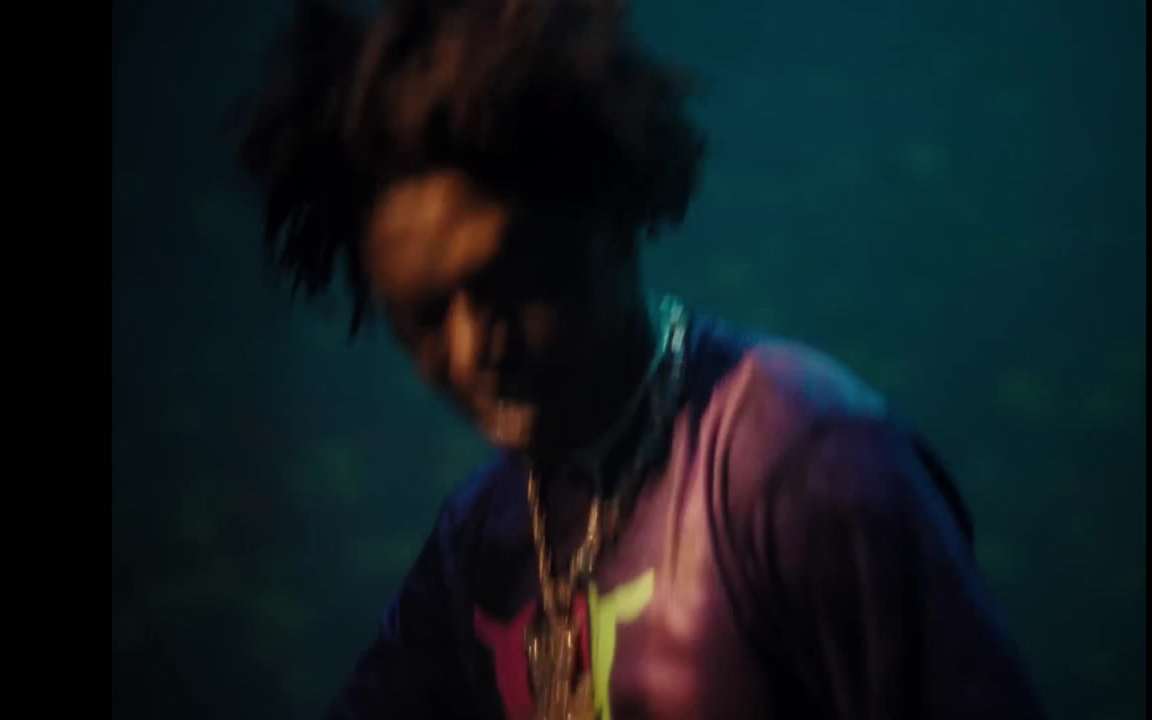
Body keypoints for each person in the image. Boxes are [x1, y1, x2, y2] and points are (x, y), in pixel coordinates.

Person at [234, 0, 1048, 718]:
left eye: (512, 280)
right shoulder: (480, 538)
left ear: (611, 215)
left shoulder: (806, 463)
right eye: (421, 317)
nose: (476, 349)